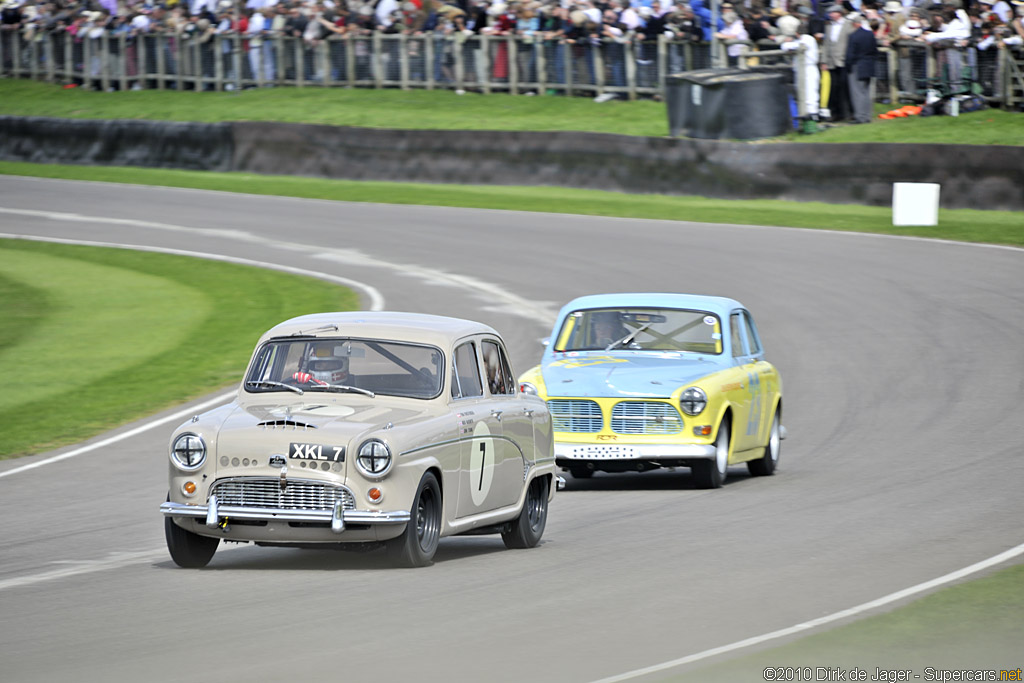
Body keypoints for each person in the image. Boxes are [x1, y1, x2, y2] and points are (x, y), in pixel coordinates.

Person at [820, 3, 855, 121]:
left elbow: (851, 43)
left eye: (832, 13)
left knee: (845, 87)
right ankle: (835, 113)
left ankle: (849, 112)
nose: (830, 15)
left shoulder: (848, 25)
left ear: (839, 13)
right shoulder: (829, 26)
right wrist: (824, 61)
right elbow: (826, 45)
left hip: (843, 61)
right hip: (831, 61)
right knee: (833, 88)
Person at [846, 14, 879, 123]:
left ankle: (860, 116)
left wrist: (848, 65)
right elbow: (875, 51)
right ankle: (867, 116)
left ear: (855, 24)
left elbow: (850, 54)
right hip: (869, 65)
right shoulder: (870, 34)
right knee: (866, 92)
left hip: (857, 66)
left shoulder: (853, 36)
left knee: (857, 92)